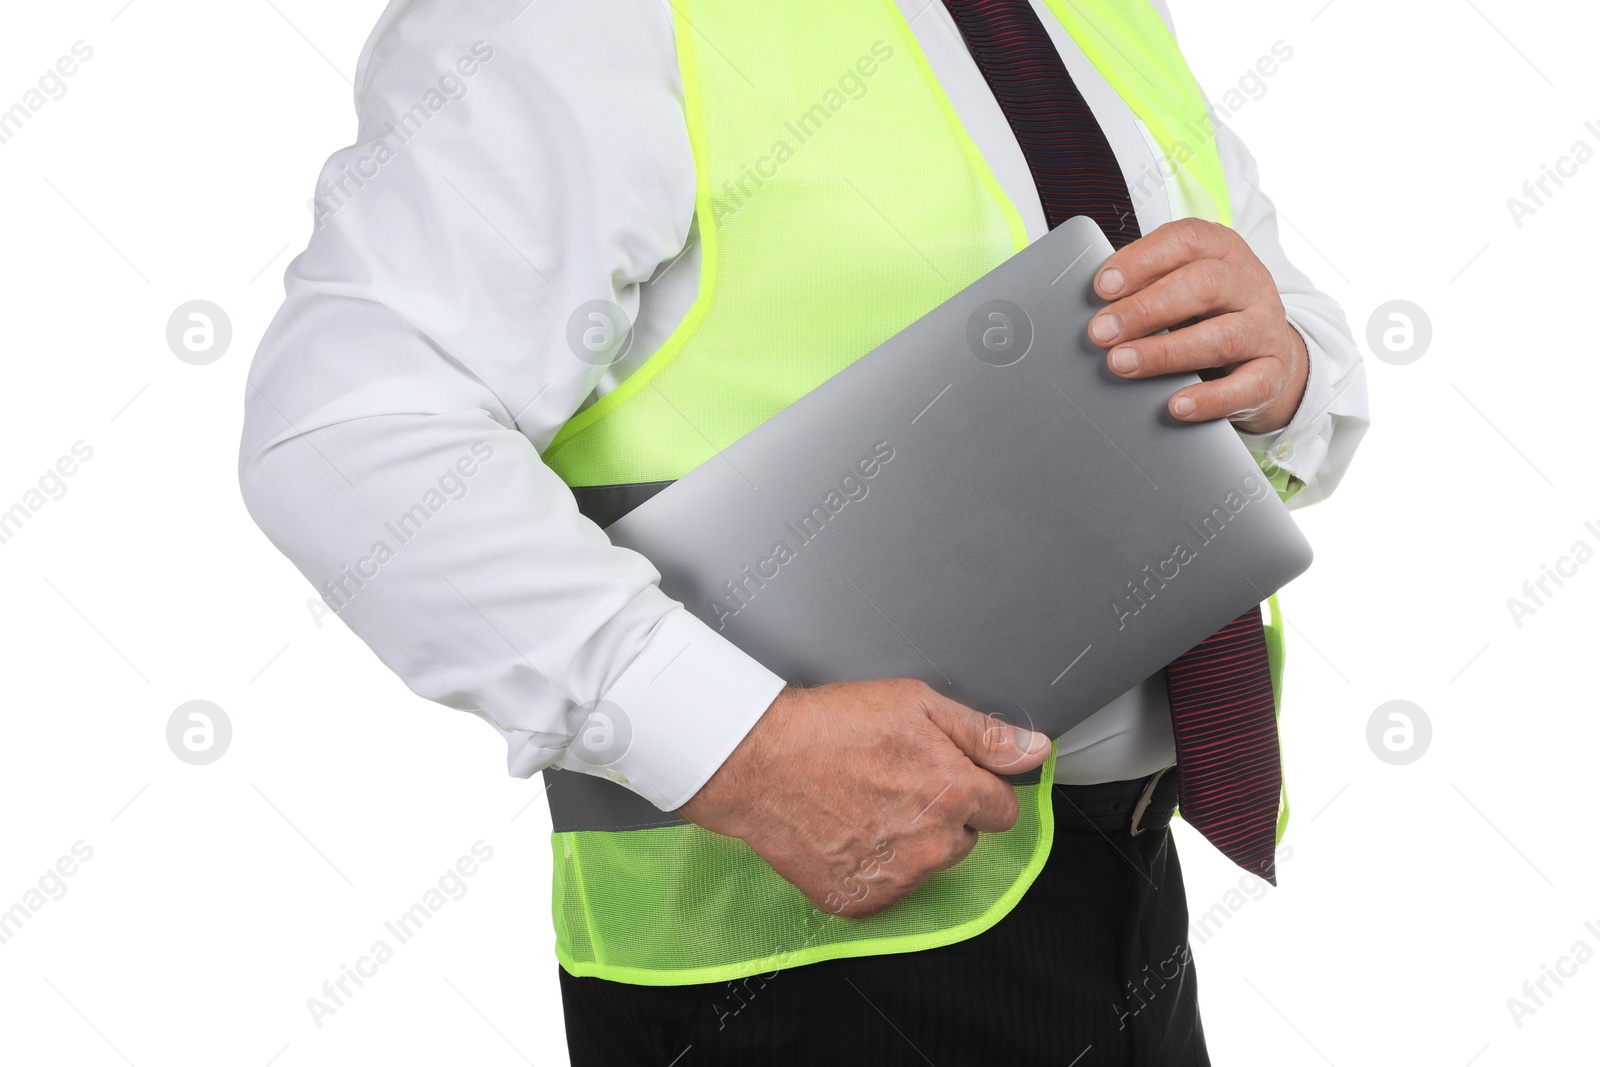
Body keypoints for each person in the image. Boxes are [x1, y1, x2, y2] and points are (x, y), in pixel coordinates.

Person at [240, 0, 1369, 1063]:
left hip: (1125, 889)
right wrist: (736, 741)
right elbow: (344, 432)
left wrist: (1287, 367)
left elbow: (1276, 323)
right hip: (788, 954)